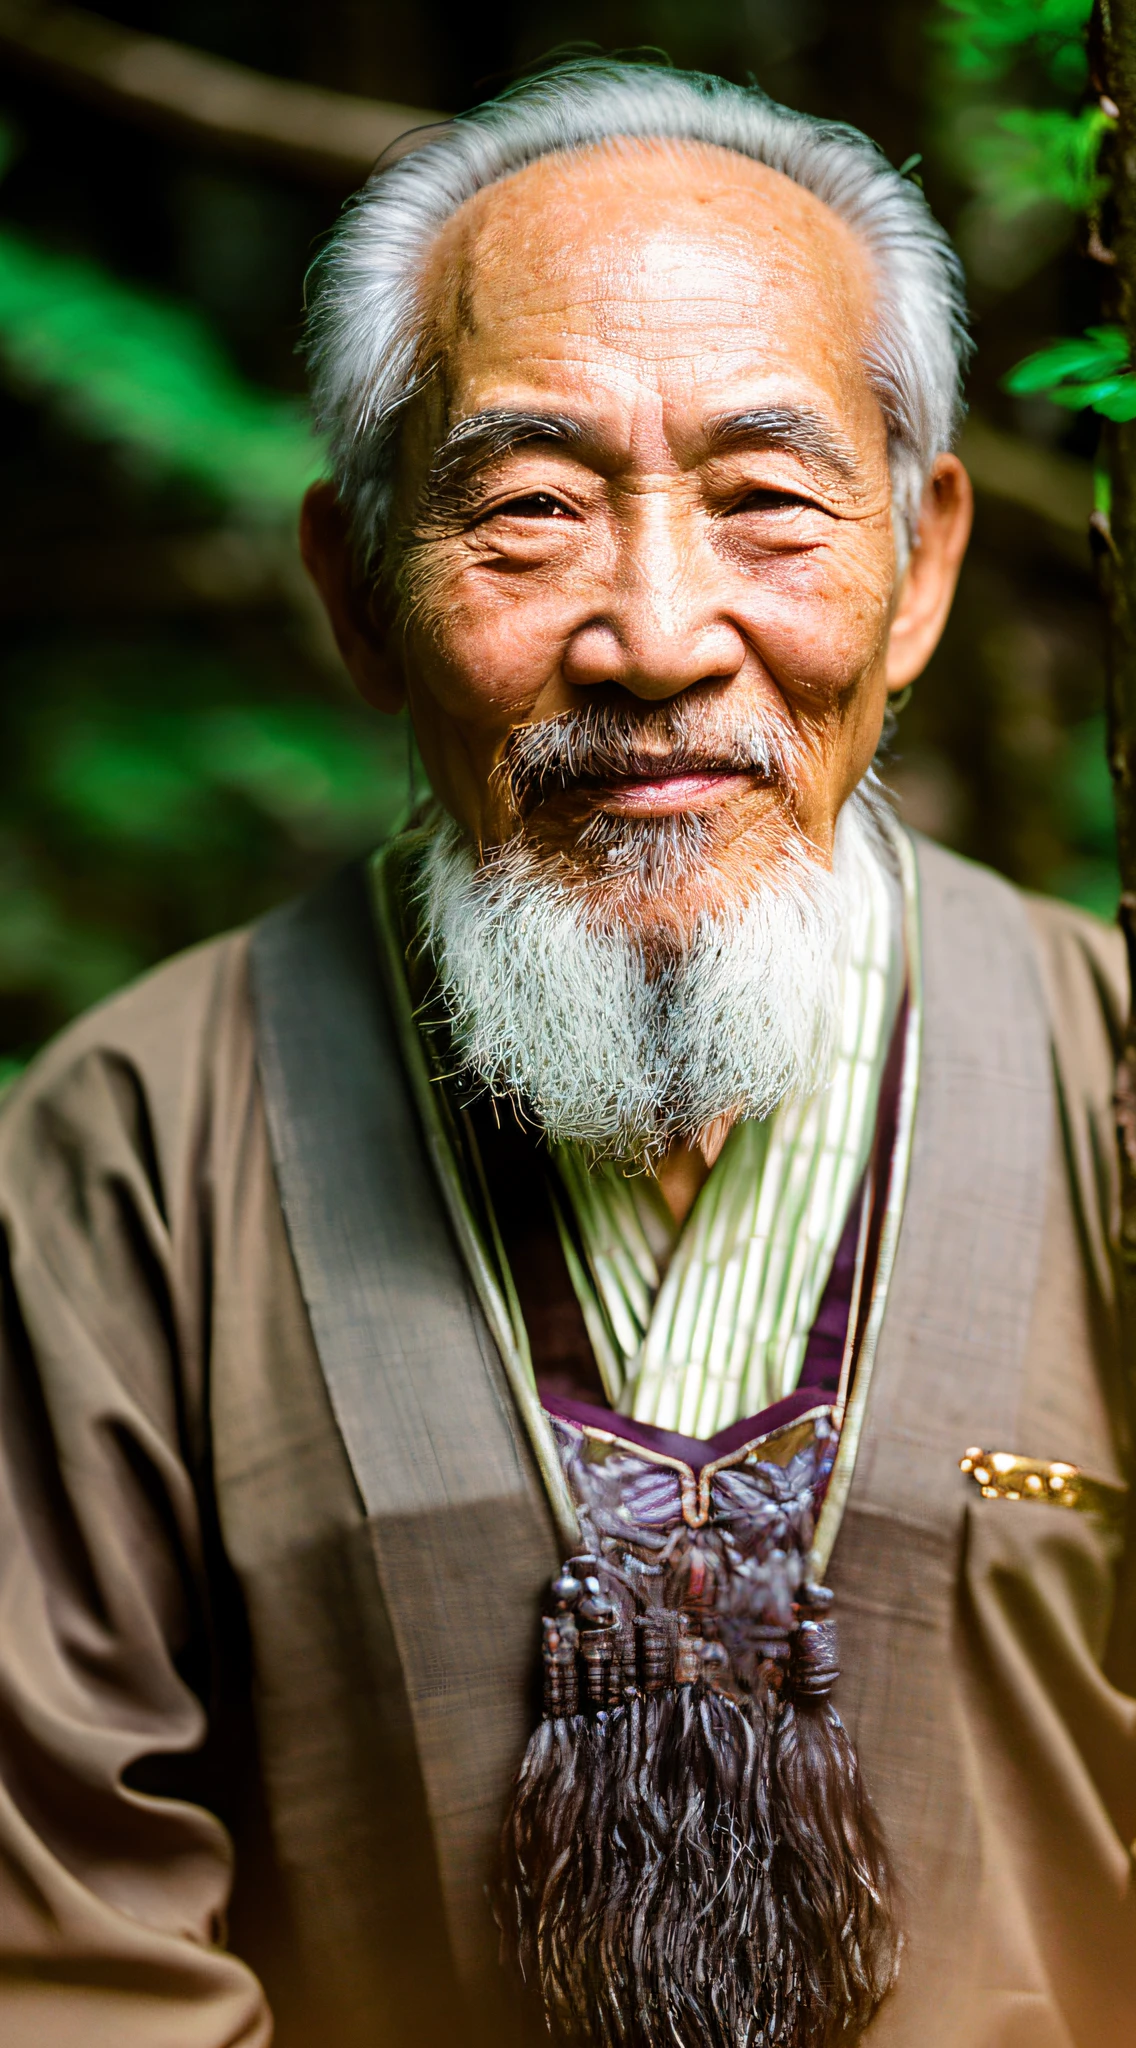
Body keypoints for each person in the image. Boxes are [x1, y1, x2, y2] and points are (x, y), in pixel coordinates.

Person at [0, 57, 1132, 2048]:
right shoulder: (132, 1141)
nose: (658, 632)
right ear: (356, 593)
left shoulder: (1103, 1076)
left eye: (767, 504)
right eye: (524, 511)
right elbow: (60, 1943)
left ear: (923, 563)